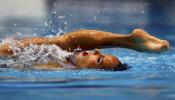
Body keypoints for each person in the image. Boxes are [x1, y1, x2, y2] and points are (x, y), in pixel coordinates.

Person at [0, 29, 169, 70]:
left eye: (99, 59)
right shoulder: (64, 58)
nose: (95, 50)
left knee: (61, 42)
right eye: (99, 52)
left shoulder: (59, 68)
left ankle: (129, 42)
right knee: (61, 42)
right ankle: (128, 41)